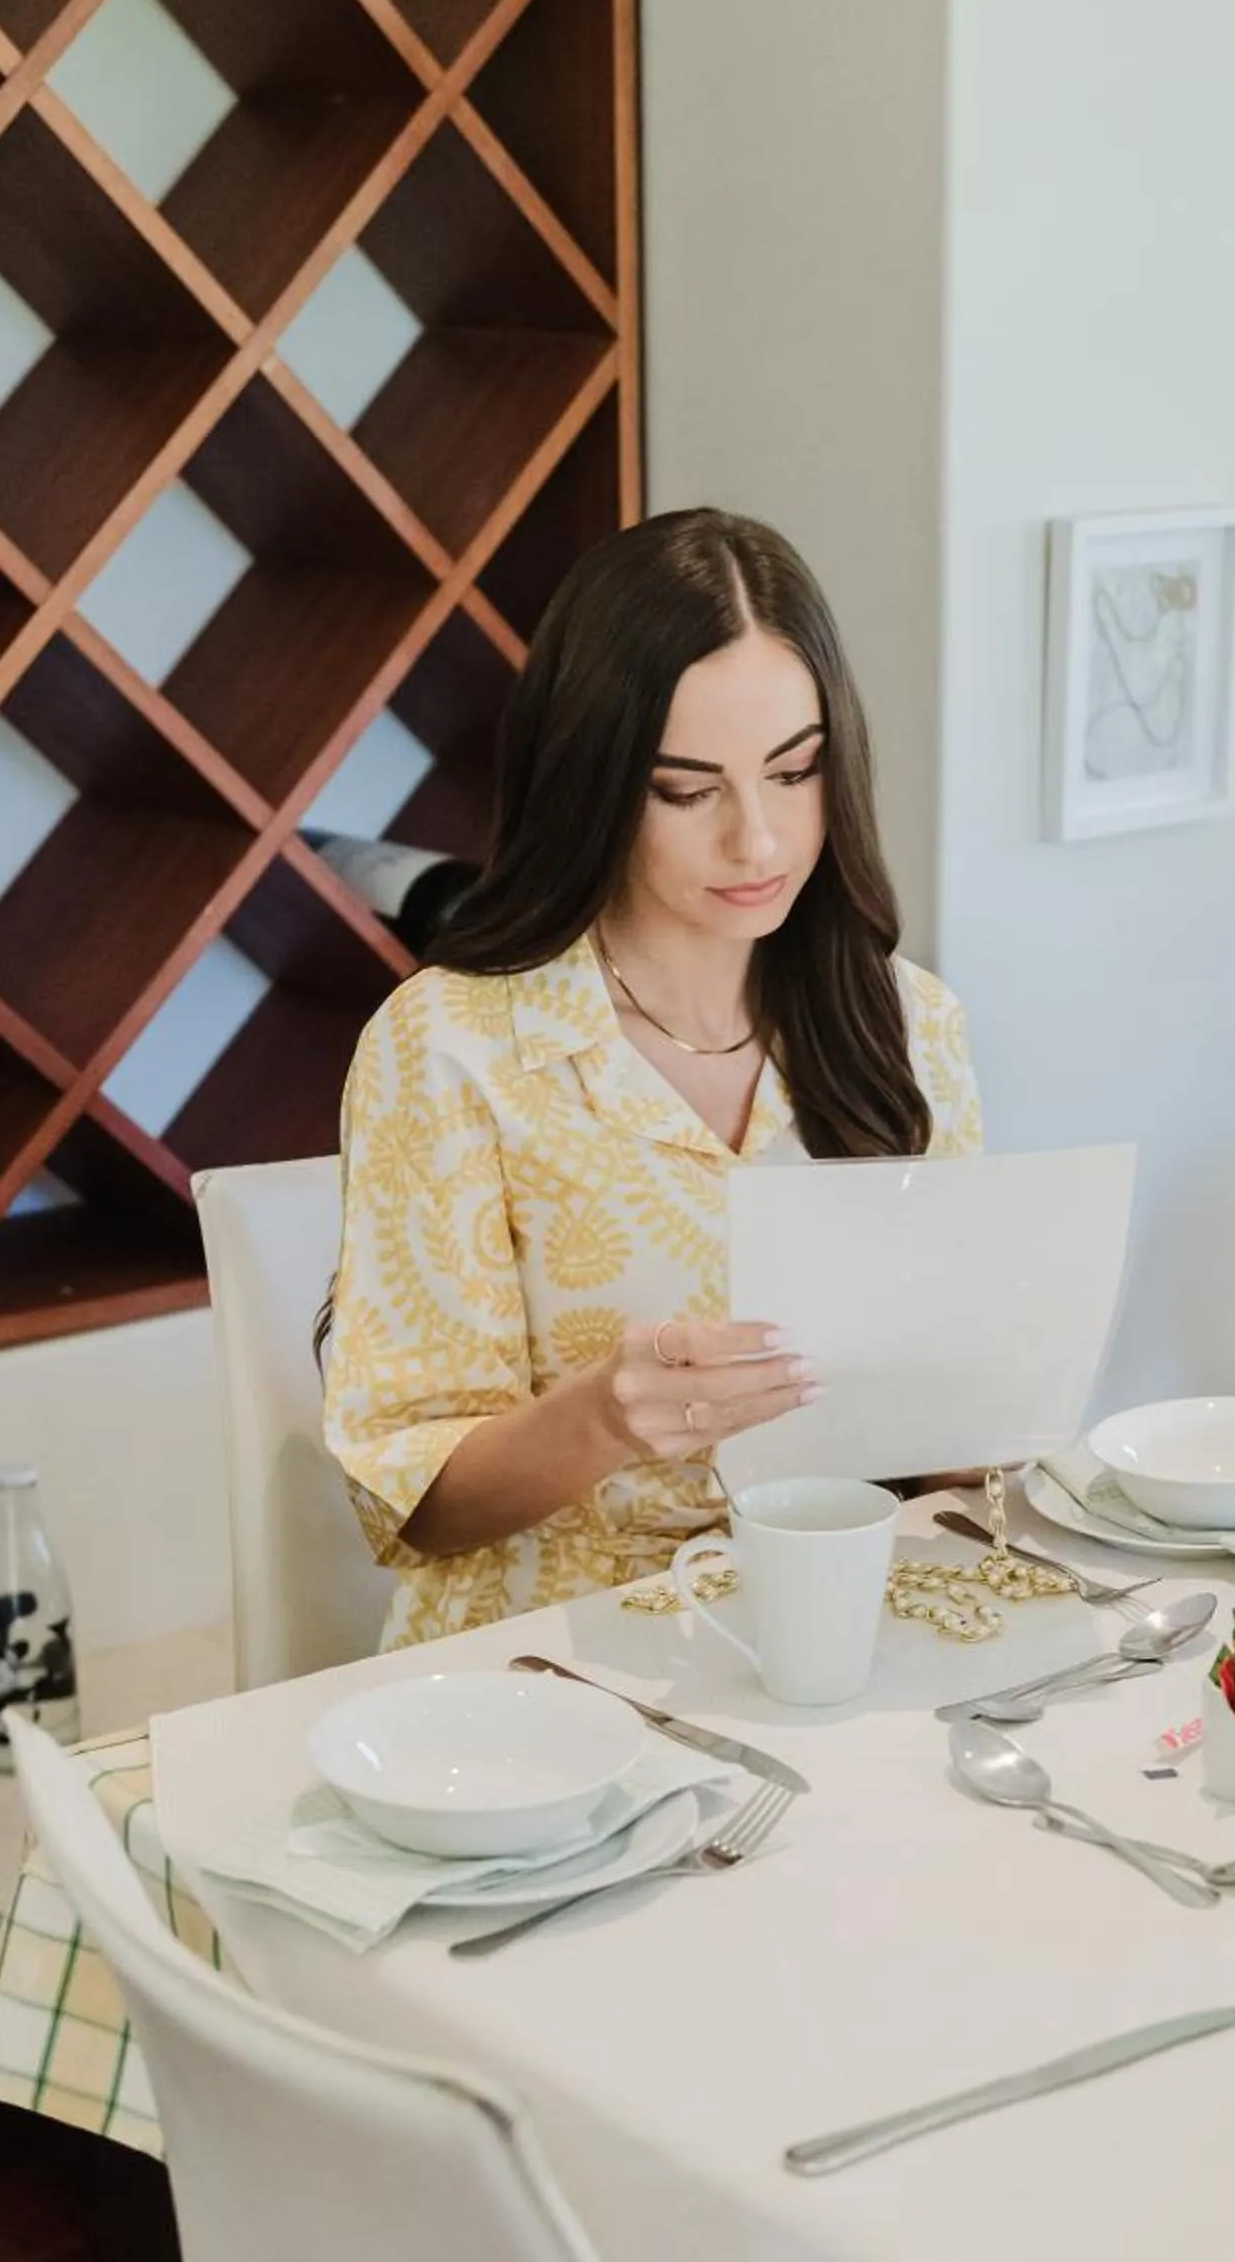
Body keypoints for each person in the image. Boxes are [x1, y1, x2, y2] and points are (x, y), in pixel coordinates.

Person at [322, 509, 981, 1647]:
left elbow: (942, 1443)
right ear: (595, 780)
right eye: (688, 790)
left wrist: (983, 1411)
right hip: (551, 1661)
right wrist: (602, 1417)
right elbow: (413, 1505)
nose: (760, 843)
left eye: (795, 772)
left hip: (836, 1625)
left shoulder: (910, 1022)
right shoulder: (450, 1046)